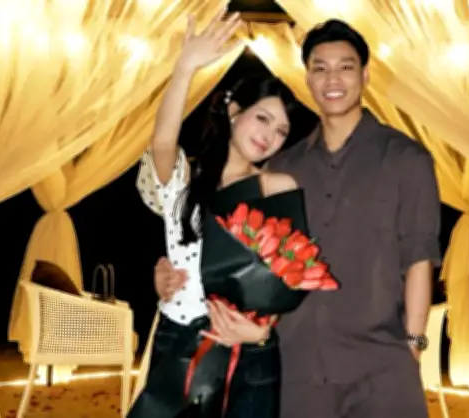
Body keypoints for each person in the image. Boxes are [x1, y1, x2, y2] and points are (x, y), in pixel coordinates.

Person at [155, 19, 441, 418]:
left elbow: (419, 259)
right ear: (307, 78)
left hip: (382, 367)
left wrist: (415, 346)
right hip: (296, 367)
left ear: (365, 75)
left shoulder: (407, 159)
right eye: (320, 68)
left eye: (345, 67)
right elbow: (249, 259)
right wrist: (168, 271)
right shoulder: (282, 170)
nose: (332, 78)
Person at [129, 9, 302, 418]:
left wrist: (262, 330)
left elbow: (290, 272)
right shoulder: (184, 180)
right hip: (179, 338)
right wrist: (185, 67)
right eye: (263, 118)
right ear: (234, 111)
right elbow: (162, 141)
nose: (270, 136)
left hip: (248, 348)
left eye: (281, 131)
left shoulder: (278, 188)